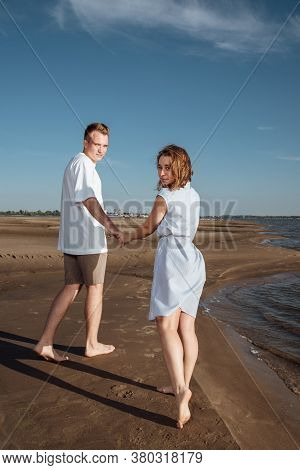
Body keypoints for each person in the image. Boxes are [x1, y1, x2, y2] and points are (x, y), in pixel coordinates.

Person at [123, 144, 206, 429]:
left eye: (168, 167)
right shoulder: (193, 193)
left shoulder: (165, 196)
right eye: (159, 167)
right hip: (194, 260)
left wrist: (127, 236)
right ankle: (180, 383)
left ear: (180, 167)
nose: (162, 172)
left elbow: (149, 227)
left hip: (173, 259)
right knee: (186, 327)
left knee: (166, 326)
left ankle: (181, 390)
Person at [34, 122, 123, 363]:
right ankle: (92, 344)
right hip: (88, 239)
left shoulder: (75, 163)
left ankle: (45, 341)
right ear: (86, 142)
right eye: (97, 144)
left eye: (105, 146)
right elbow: (89, 200)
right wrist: (112, 227)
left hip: (74, 239)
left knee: (71, 286)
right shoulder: (84, 164)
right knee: (95, 287)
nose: (101, 150)